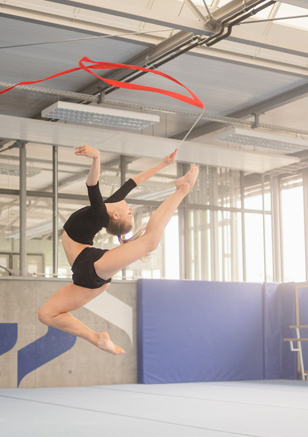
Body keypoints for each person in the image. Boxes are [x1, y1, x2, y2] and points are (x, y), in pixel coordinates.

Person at [38, 144, 199, 354]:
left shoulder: (101, 215)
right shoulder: (111, 205)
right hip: (88, 277)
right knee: (46, 314)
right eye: (131, 212)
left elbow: (92, 185)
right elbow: (133, 182)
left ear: (115, 217)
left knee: (151, 241)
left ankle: (183, 189)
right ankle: (97, 339)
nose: (130, 207)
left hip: (88, 265)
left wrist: (97, 157)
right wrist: (163, 164)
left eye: (129, 213)